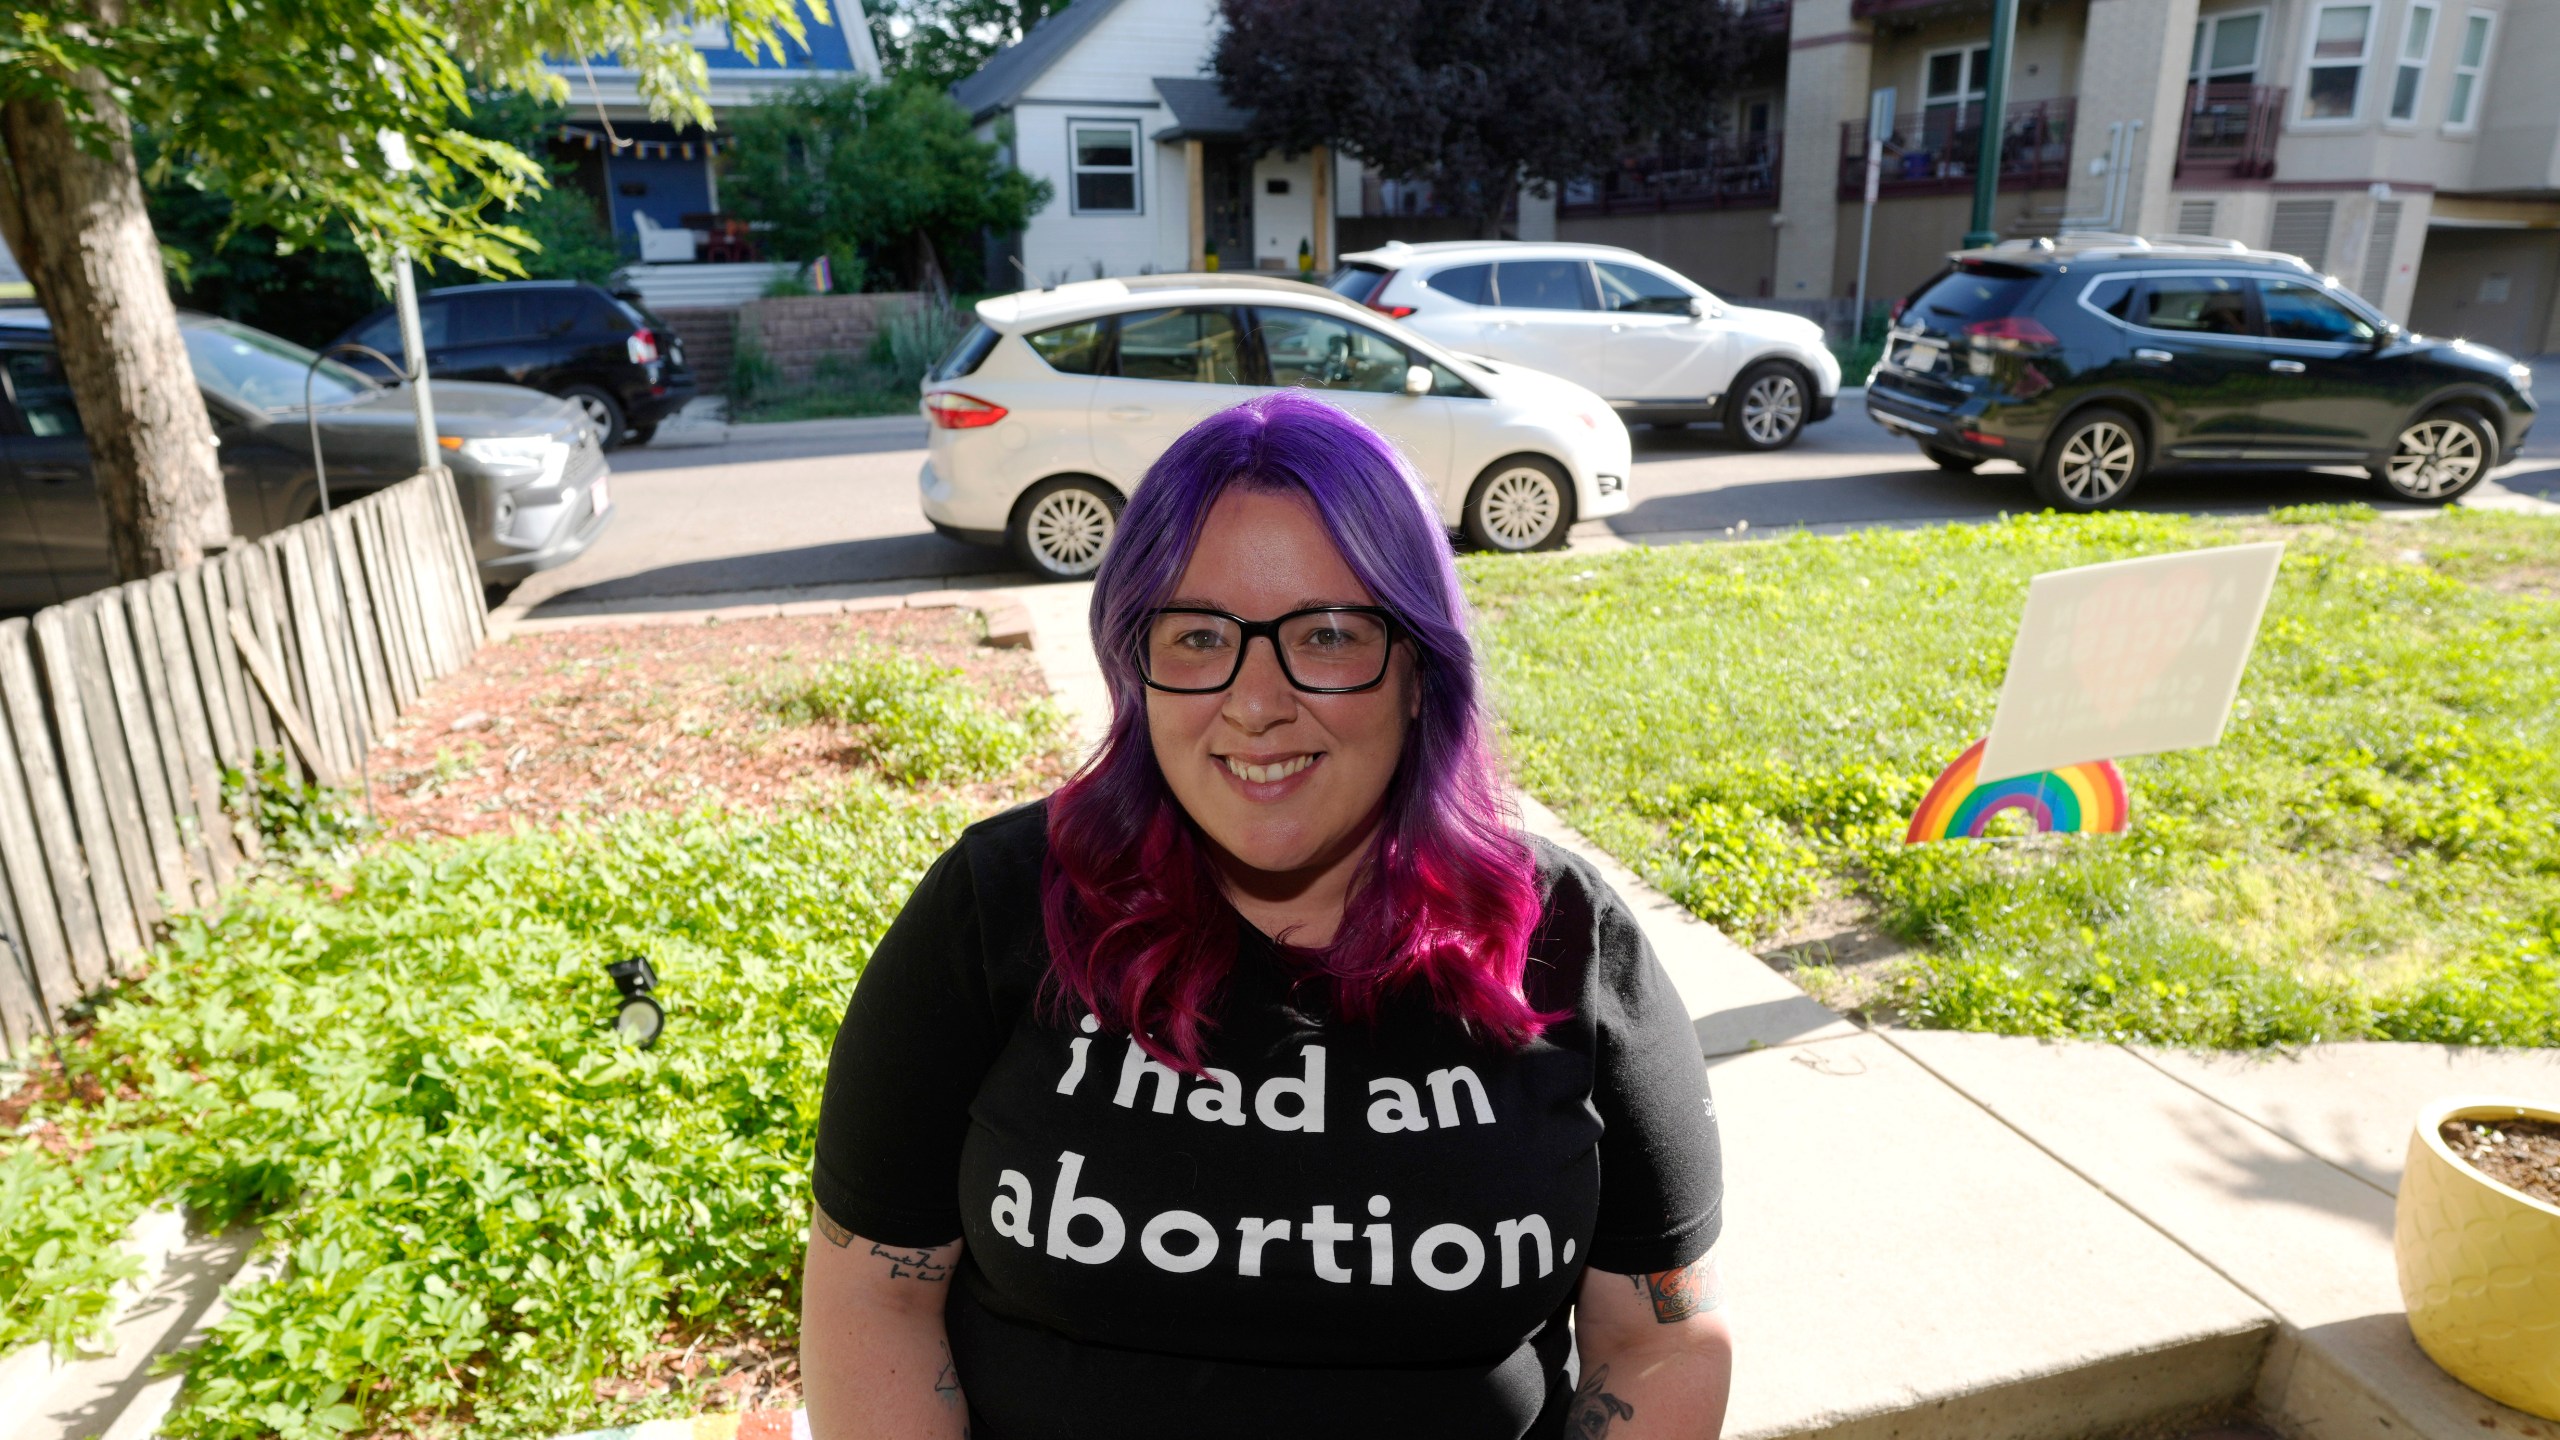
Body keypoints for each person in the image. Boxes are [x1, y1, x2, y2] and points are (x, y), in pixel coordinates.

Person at [802, 391, 1730, 1439]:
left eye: (1326, 635)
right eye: (1197, 636)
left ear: (1419, 670)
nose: (1253, 701)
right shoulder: (1000, 905)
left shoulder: (1561, 939)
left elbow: (1658, 1340)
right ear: (1134, 662)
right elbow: (872, 1293)